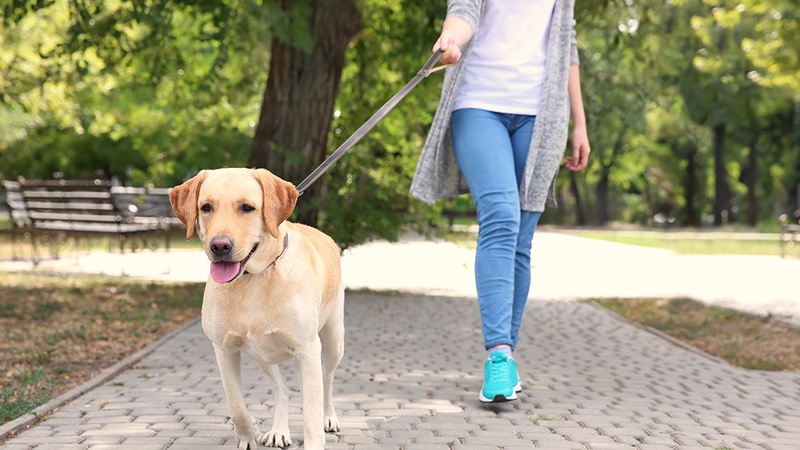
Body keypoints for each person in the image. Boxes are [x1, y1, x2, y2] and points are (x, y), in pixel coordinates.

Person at [410, 0, 591, 403]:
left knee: (521, 241)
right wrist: (451, 39)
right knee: (501, 218)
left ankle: (507, 357)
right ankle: (498, 355)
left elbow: (567, 42)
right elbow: (464, 11)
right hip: (478, 104)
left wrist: (580, 123)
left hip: (541, 116)